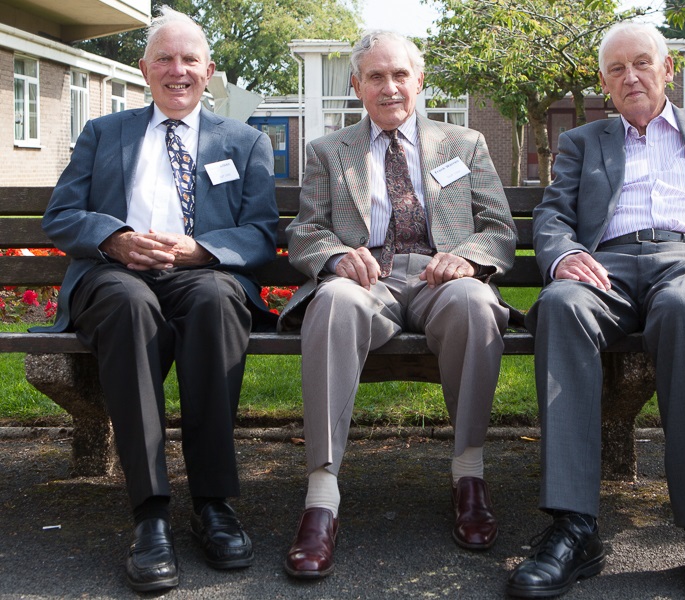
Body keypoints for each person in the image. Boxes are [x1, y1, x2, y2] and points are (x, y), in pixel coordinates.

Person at [506, 22, 685, 600]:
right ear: (604, 82)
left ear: (668, 68)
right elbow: (553, 216)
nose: (630, 77)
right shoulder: (585, 141)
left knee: (682, 309)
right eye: (615, 69)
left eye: (641, 63)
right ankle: (575, 526)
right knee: (560, 305)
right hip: (605, 264)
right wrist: (565, 256)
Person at [37, 6, 279, 593]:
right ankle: (150, 516)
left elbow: (262, 233)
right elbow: (61, 216)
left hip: (200, 272)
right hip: (116, 274)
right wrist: (115, 240)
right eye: (164, 59)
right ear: (144, 70)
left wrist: (202, 249)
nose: (178, 71)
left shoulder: (245, 141)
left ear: (209, 70)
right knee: (127, 304)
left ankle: (213, 504)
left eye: (189, 59)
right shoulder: (105, 133)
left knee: (218, 302)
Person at [276, 31, 517, 579]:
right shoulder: (329, 152)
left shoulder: (465, 144)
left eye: (400, 75)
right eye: (376, 77)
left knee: (476, 304)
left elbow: (500, 231)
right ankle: (321, 497)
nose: (390, 88)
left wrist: (469, 260)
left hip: (441, 276)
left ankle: (469, 475)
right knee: (333, 302)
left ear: (419, 80)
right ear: (357, 85)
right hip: (368, 281)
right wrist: (336, 256)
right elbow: (305, 232)